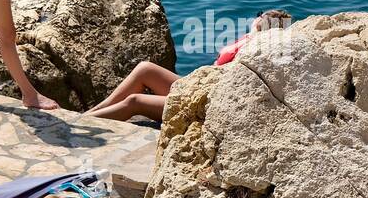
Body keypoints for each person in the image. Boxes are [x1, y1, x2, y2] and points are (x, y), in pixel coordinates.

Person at [87, 9, 293, 122]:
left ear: (263, 25)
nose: (256, 17)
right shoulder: (250, 40)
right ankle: (91, 113)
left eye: (260, 15)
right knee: (145, 69)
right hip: (197, 87)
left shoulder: (257, 50)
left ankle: (85, 122)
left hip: (204, 103)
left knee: (135, 101)